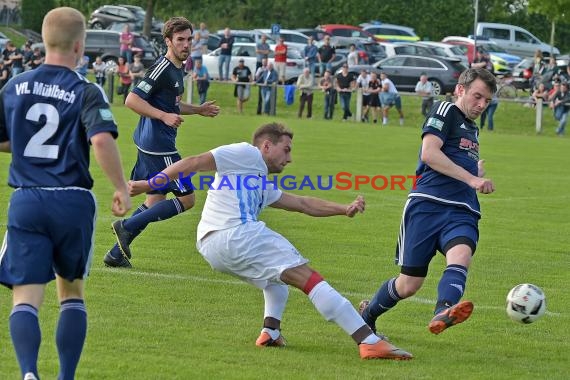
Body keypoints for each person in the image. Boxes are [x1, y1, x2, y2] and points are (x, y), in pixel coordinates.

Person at [128, 122, 413, 360]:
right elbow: (192, 163)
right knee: (308, 278)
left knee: (275, 280)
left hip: (211, 246)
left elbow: (302, 203)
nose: (289, 159)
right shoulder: (245, 153)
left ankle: (270, 331)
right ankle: (368, 340)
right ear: (266, 146)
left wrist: (343, 209)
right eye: (285, 150)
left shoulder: (257, 180)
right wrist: (146, 185)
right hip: (237, 234)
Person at [0, 7, 131, 380]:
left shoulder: (15, 85)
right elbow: (101, 139)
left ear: (43, 41)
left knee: (25, 297)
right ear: (79, 45)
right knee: (71, 293)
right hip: (71, 199)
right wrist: (121, 186)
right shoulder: (85, 89)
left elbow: (5, 139)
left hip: (27, 199)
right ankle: (66, 376)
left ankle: (28, 372)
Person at [359, 68, 496, 337]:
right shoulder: (444, 110)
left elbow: (453, 158)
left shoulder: (472, 128)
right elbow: (430, 154)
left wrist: (473, 172)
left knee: (461, 256)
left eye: (487, 101)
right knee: (409, 284)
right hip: (427, 205)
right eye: (477, 97)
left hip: (462, 209)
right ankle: (367, 316)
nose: (481, 105)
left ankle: (444, 310)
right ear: (460, 90)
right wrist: (471, 178)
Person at [103, 16, 220, 268]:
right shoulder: (162, 67)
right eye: (180, 40)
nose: (186, 44)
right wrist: (162, 116)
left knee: (153, 200)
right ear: (168, 41)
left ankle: (115, 254)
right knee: (187, 199)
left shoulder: (178, 67)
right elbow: (132, 100)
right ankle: (125, 225)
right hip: (159, 145)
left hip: (152, 143)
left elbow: (172, 105)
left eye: (189, 39)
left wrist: (198, 110)